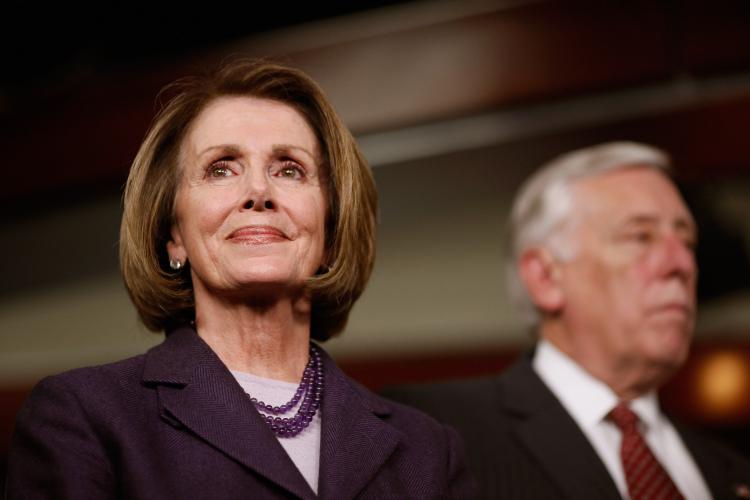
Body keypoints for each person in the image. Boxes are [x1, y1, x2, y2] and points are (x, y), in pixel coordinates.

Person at [6, 60, 477, 499]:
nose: (258, 192)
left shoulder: (428, 451)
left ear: (331, 233)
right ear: (174, 237)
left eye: (289, 169)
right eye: (221, 169)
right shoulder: (85, 418)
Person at [384, 142, 750, 499]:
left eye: (687, 242)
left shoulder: (729, 471)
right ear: (545, 277)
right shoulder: (429, 435)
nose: (681, 265)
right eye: (640, 236)